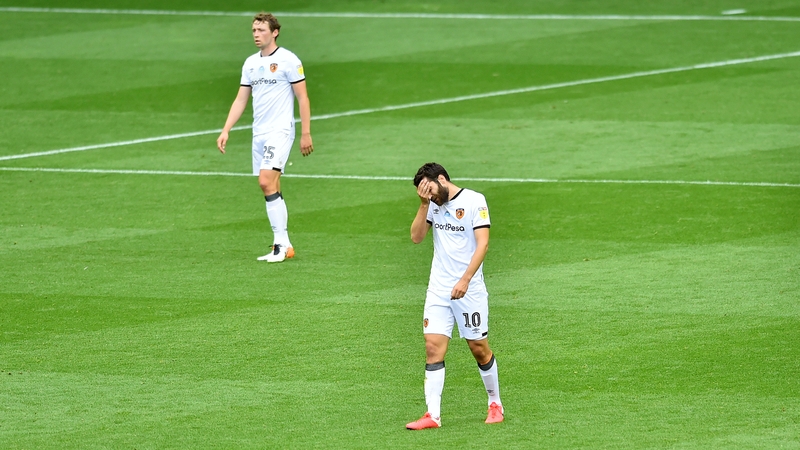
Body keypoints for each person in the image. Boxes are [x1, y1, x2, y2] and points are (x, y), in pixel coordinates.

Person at [406, 162, 504, 430]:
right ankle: (432, 415)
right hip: (438, 289)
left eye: (431, 191)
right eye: (425, 193)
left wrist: (465, 279)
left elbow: (483, 244)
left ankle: (495, 403)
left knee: (478, 348)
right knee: (432, 348)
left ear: (441, 178)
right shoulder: (432, 204)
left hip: (468, 289)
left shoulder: (474, 201)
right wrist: (425, 204)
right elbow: (416, 238)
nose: (432, 196)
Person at [216, 12, 313, 262]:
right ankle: (284, 245)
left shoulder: (288, 60)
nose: (256, 35)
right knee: (272, 186)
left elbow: (302, 97)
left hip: (280, 131)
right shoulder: (250, 63)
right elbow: (241, 98)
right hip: (258, 132)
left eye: (261, 30)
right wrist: (226, 129)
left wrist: (305, 133)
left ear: (275, 32)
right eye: (254, 31)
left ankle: (280, 246)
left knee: (265, 182)